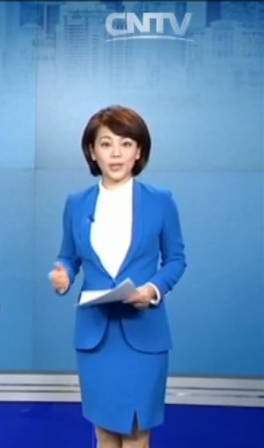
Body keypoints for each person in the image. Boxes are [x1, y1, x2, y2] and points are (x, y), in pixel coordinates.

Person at [49, 106, 186, 448]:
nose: (115, 153)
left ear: (139, 152)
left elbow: (176, 260)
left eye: (126, 144)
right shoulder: (76, 203)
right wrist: (63, 274)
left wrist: (151, 289)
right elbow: (68, 255)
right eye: (106, 143)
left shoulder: (160, 201)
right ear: (92, 151)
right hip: (96, 335)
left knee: (137, 430)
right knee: (105, 431)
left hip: (144, 334)